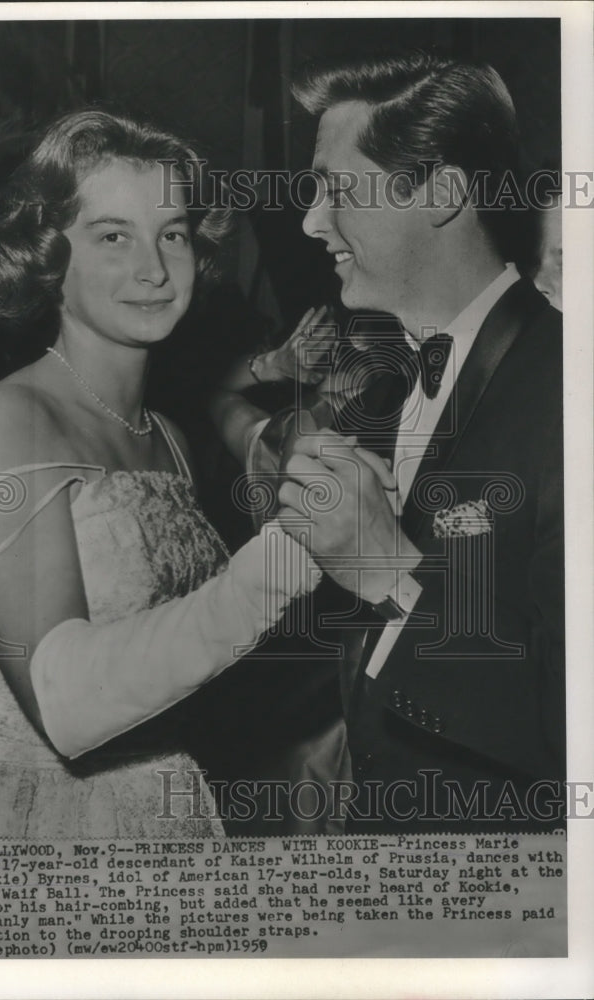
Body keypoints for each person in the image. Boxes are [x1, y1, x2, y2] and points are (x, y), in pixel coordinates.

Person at [0, 110, 322, 839]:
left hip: (172, 807)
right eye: (112, 236)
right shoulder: (11, 421)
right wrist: (297, 550)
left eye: (172, 234)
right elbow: (68, 706)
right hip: (35, 825)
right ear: (47, 257)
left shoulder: (162, 433)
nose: (155, 269)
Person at [214, 51, 565, 832]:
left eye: (338, 189)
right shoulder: (387, 382)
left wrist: (389, 571)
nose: (310, 221)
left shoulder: (570, 389)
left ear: (441, 194)